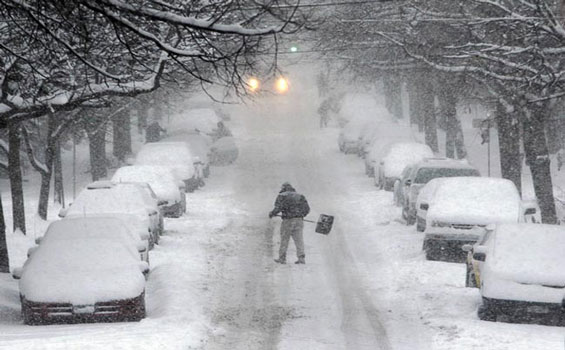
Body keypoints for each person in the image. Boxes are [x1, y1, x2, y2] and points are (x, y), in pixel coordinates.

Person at [269, 182, 310, 264]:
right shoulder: (300, 196)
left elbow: (278, 207)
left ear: (283, 188)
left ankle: (282, 258)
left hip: (288, 220)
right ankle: (301, 258)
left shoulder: (282, 195)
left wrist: (272, 213)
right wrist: (300, 215)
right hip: (299, 220)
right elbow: (307, 209)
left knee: (284, 239)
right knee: (299, 240)